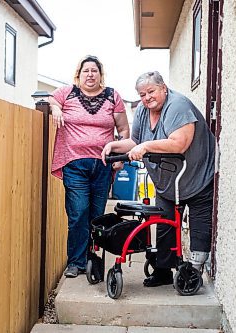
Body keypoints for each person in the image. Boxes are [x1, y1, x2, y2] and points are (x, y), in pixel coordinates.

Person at [101, 71, 215, 287]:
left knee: (199, 226)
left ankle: (194, 271)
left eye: (150, 91)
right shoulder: (144, 110)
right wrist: (113, 145)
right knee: (163, 225)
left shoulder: (178, 106)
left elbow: (179, 143)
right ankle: (162, 272)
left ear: (163, 87)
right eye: (142, 94)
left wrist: (146, 147)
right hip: (168, 183)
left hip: (196, 177)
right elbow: (135, 141)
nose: (146, 98)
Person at [49, 55, 130, 278]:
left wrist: (120, 155)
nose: (90, 74)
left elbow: (123, 130)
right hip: (74, 163)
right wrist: (56, 109)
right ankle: (76, 262)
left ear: (100, 75)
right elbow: (51, 99)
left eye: (94, 71)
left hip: (103, 165)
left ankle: (92, 258)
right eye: (86, 71)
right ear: (79, 74)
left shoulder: (113, 96)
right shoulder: (67, 93)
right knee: (78, 212)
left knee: (96, 214)